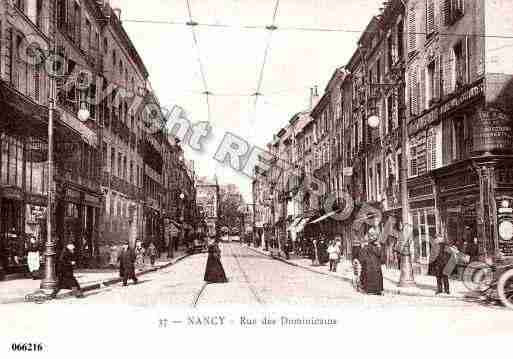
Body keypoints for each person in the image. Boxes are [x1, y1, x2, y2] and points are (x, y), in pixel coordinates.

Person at [359, 228, 385, 295]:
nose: (372, 237)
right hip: (371, 263)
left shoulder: (374, 245)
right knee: (371, 275)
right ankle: (372, 290)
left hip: (373, 263)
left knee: (373, 275)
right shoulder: (369, 245)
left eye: (373, 235)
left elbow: (380, 254)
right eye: (371, 235)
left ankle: (373, 290)